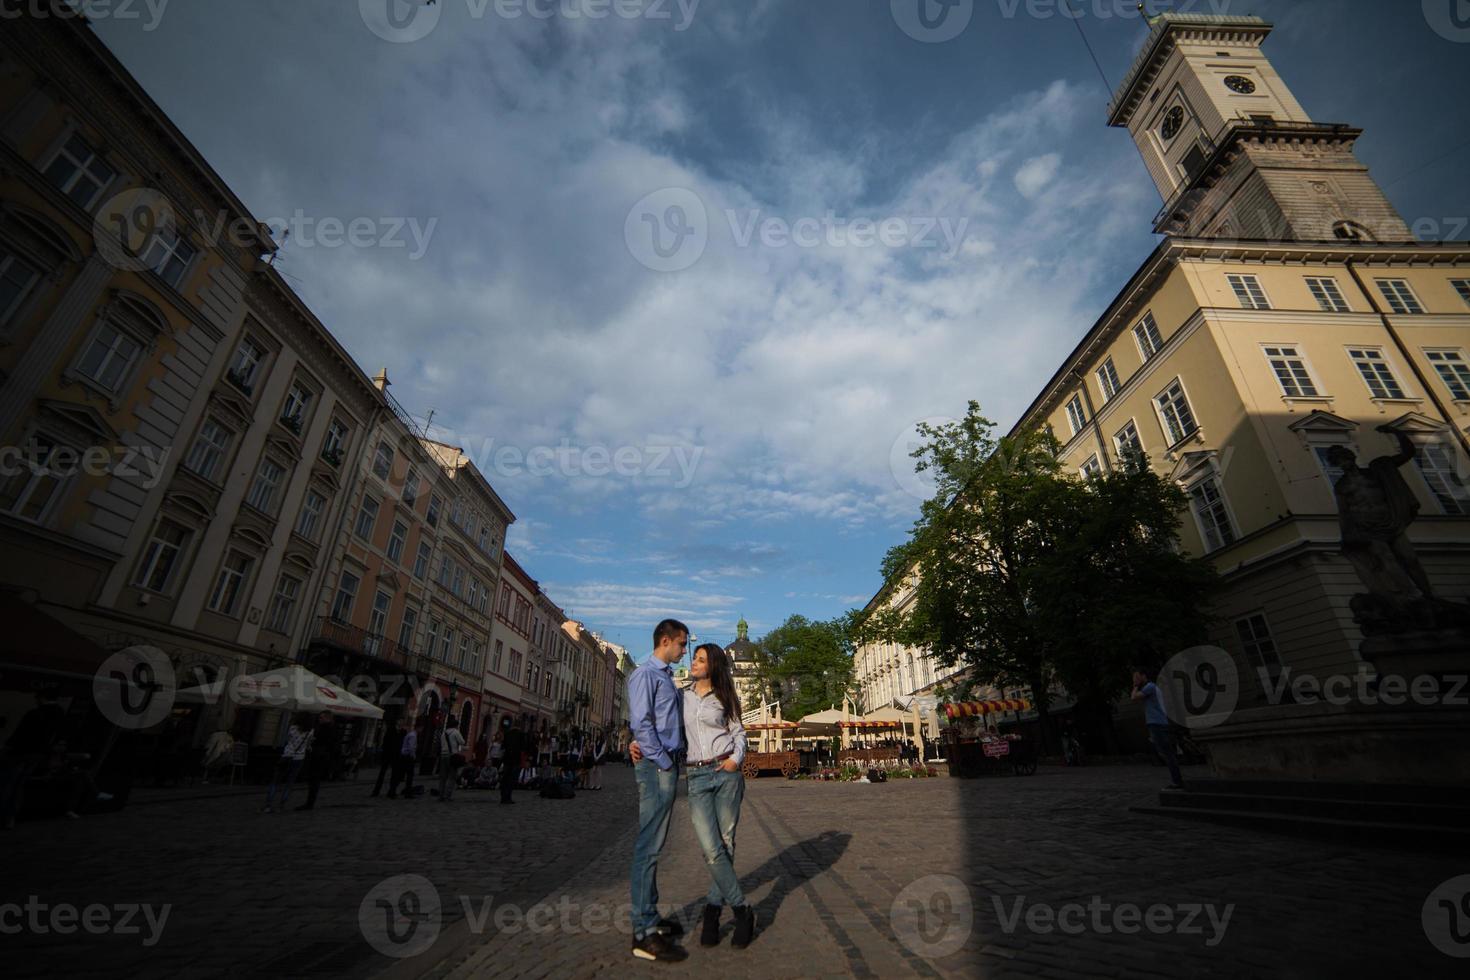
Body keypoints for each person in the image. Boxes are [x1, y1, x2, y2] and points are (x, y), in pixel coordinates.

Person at [633, 642, 755, 949]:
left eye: (700, 659)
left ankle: (713, 911)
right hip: (697, 776)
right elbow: (661, 723)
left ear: (712, 665)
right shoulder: (680, 695)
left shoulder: (725, 696)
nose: (695, 663)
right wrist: (638, 742)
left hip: (725, 772)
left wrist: (735, 760)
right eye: (694, 658)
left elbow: (739, 732)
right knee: (711, 850)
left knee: (725, 843)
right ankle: (742, 909)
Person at [626, 618, 691, 962]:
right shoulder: (645, 675)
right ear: (665, 641)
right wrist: (662, 760)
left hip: (663, 763)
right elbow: (641, 722)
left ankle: (650, 917)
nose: (685, 649)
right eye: (682, 643)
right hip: (657, 767)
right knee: (648, 847)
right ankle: (642, 932)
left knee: (654, 845)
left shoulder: (665, 677)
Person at [0, 693, 66, 829]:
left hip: (21, 752)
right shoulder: (59, 713)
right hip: (38, 753)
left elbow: (20, 732)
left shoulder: (34, 713)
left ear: (41, 698)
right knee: (19, 785)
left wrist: (7, 746)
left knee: (8, 783)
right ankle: (10, 818)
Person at [1132, 668, 1184, 790]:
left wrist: (1135, 685)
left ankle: (1177, 781)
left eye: (1137, 677)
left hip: (1157, 723)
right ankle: (1177, 779)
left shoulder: (1149, 687)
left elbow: (1133, 697)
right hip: (1156, 723)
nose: (1135, 680)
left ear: (1144, 676)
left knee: (1166, 753)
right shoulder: (1150, 688)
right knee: (1164, 752)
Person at [262, 716, 312, 813]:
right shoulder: (310, 732)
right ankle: (281, 806)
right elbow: (308, 746)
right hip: (299, 758)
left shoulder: (292, 728)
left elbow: (287, 740)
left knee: (275, 781)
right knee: (289, 783)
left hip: (286, 755)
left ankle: (268, 805)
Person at [297, 711, 338, 810]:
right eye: (319, 717)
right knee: (313, 780)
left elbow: (328, 744)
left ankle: (310, 803)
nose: (319, 719)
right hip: (319, 757)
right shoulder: (325, 728)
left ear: (328, 718)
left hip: (319, 757)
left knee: (314, 780)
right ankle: (310, 802)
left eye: (321, 718)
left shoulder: (326, 729)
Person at [370, 718, 405, 797]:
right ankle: (376, 791)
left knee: (395, 774)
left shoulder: (403, 732)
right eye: (400, 721)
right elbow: (385, 741)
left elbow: (402, 743)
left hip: (397, 755)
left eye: (402, 721)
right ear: (397, 721)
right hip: (388, 754)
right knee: (382, 773)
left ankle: (392, 792)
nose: (401, 723)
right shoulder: (390, 730)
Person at [388, 719, 418, 799]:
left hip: (401, 756)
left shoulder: (407, 734)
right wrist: (413, 756)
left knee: (400, 775)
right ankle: (401, 792)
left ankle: (392, 791)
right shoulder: (411, 735)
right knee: (406, 776)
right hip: (405, 757)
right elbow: (411, 748)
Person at [498, 716, 525, 804]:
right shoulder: (521, 734)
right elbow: (523, 747)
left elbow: (503, 746)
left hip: (507, 759)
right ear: (520, 725)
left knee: (505, 778)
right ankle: (508, 797)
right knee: (511, 779)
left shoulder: (507, 733)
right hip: (515, 759)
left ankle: (503, 796)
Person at [438, 717, 465, 802]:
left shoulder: (444, 733)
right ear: (456, 725)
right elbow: (462, 742)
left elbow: (441, 744)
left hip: (443, 756)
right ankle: (447, 795)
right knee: (451, 776)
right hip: (452, 756)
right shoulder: (455, 732)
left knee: (443, 777)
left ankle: (441, 795)